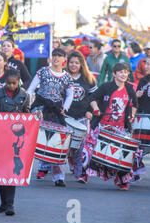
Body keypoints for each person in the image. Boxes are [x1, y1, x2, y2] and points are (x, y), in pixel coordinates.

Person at [84, 63, 138, 191]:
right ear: (114, 74)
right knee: (88, 148)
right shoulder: (106, 87)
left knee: (123, 154)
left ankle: (122, 181)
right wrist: (96, 108)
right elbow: (92, 98)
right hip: (102, 125)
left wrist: (132, 115)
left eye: (125, 72)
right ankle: (83, 174)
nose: (123, 74)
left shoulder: (130, 89)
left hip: (119, 128)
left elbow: (135, 104)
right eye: (120, 72)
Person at [27, 48, 74, 187]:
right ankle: (26, 171)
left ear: (63, 59)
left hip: (55, 110)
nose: (56, 58)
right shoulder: (43, 71)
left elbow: (70, 95)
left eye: (59, 56)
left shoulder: (67, 77)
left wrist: (65, 107)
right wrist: (30, 107)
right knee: (34, 140)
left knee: (57, 143)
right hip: (40, 107)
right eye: (54, 55)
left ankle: (58, 176)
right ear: (51, 57)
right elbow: (31, 89)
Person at [0, 69, 30, 216]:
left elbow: (27, 116)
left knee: (11, 171)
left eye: (14, 83)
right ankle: (3, 203)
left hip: (16, 139)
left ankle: (10, 204)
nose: (11, 86)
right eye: (9, 83)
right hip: (0, 137)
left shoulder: (24, 96)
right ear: (5, 82)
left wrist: (35, 116)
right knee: (1, 172)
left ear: (18, 82)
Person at [65, 51, 97, 183]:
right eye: (71, 62)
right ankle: (72, 160)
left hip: (82, 117)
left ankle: (82, 173)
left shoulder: (89, 79)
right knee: (68, 146)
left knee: (82, 146)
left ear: (81, 64)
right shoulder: (64, 77)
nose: (74, 65)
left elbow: (94, 97)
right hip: (66, 117)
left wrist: (90, 111)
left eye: (77, 63)